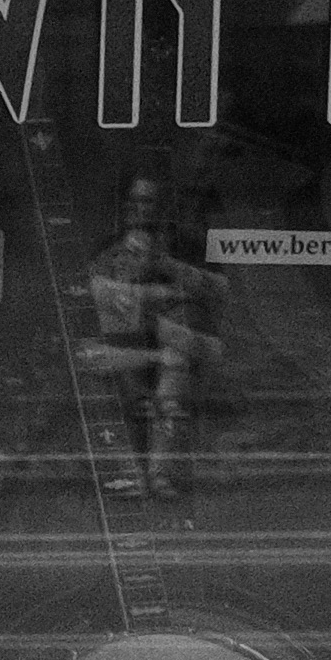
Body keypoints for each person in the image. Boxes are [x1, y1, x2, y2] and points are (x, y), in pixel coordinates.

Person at [74, 168, 220, 499]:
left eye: (150, 201)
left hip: (170, 343)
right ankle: (127, 474)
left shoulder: (183, 248)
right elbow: (99, 295)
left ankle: (158, 475)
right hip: (121, 346)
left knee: (171, 386)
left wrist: (164, 268)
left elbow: (210, 291)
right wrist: (154, 295)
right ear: (125, 205)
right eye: (136, 201)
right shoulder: (109, 249)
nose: (143, 209)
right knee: (117, 381)